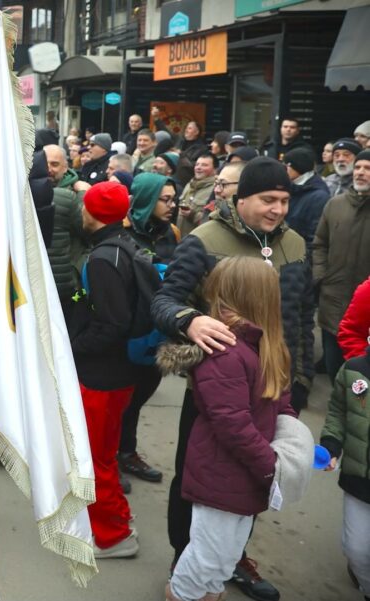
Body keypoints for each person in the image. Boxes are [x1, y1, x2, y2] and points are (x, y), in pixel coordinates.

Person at [152, 157, 314, 601]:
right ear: (241, 199)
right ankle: (185, 560)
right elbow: (164, 301)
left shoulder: (296, 244)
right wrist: (189, 320)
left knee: (253, 477)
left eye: (284, 200)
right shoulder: (205, 239)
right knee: (199, 477)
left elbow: (302, 314)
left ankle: (231, 557)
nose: (278, 209)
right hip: (217, 389)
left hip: (274, 385)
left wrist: (301, 377)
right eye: (268, 199)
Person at [162, 257, 297, 601]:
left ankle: (208, 593)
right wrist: (270, 466)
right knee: (205, 557)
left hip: (246, 472)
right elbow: (232, 424)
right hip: (223, 472)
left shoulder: (266, 345)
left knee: (226, 556)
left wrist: (294, 439)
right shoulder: (227, 352)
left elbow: (281, 400)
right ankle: (181, 594)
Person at [63, 182, 140, 558]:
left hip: (102, 376)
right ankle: (117, 519)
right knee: (103, 454)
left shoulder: (102, 259)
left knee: (94, 458)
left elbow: (112, 322)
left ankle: (114, 536)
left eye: (84, 206)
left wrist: (74, 348)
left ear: (92, 213)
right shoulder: (122, 247)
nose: (80, 211)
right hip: (118, 374)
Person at [118, 172, 181, 487]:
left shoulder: (173, 233)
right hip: (125, 331)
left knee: (140, 396)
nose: (172, 205)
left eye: (173, 199)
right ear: (146, 200)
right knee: (118, 401)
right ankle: (106, 459)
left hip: (157, 332)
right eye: (164, 199)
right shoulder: (121, 231)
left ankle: (126, 452)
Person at [321, 279, 370, 601]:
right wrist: (331, 444)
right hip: (358, 478)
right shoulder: (355, 371)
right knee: (356, 548)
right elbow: (338, 411)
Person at [312, 149, 370, 382]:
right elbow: (319, 243)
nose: (361, 172)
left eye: (368, 168)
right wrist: (321, 275)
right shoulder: (335, 205)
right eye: (358, 167)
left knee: (361, 375)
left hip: (365, 306)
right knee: (334, 366)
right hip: (333, 299)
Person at [282, 147, 331, 248]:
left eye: (287, 165)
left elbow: (315, 237)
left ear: (298, 167)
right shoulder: (290, 187)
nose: (284, 169)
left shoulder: (319, 197)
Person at [176, 152, 217, 236]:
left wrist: (192, 215)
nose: (198, 168)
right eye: (197, 164)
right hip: (180, 237)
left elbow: (212, 219)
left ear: (215, 169)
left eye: (204, 165)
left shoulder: (216, 189)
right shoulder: (189, 185)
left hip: (197, 239)